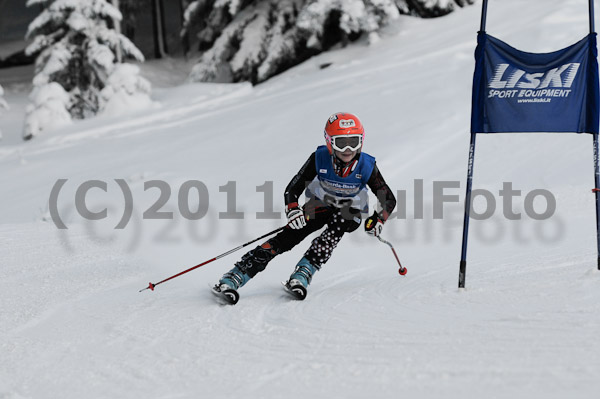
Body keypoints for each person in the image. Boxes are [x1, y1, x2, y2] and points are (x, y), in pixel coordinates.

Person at [214, 112, 397, 301]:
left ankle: (304, 271)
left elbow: (389, 199)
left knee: (341, 221)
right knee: (289, 236)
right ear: (329, 142)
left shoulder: (366, 165)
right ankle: (236, 275)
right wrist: (293, 209)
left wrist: (379, 219)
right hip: (320, 205)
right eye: (341, 143)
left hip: (351, 212)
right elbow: (293, 188)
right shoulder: (319, 158)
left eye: (354, 141)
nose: (348, 148)